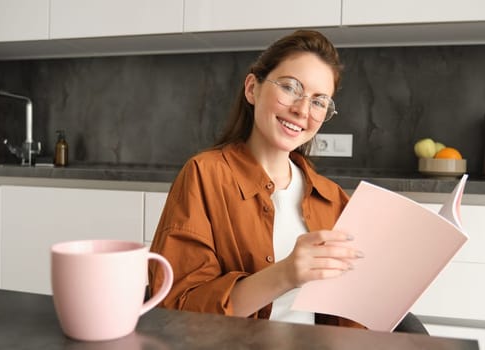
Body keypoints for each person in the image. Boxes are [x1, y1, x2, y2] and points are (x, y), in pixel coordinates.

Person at [148, 29, 365, 329]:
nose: (302, 110)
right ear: (252, 89)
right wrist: (285, 274)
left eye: (319, 101)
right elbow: (177, 308)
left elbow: (350, 316)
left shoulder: (332, 198)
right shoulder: (204, 175)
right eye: (290, 87)